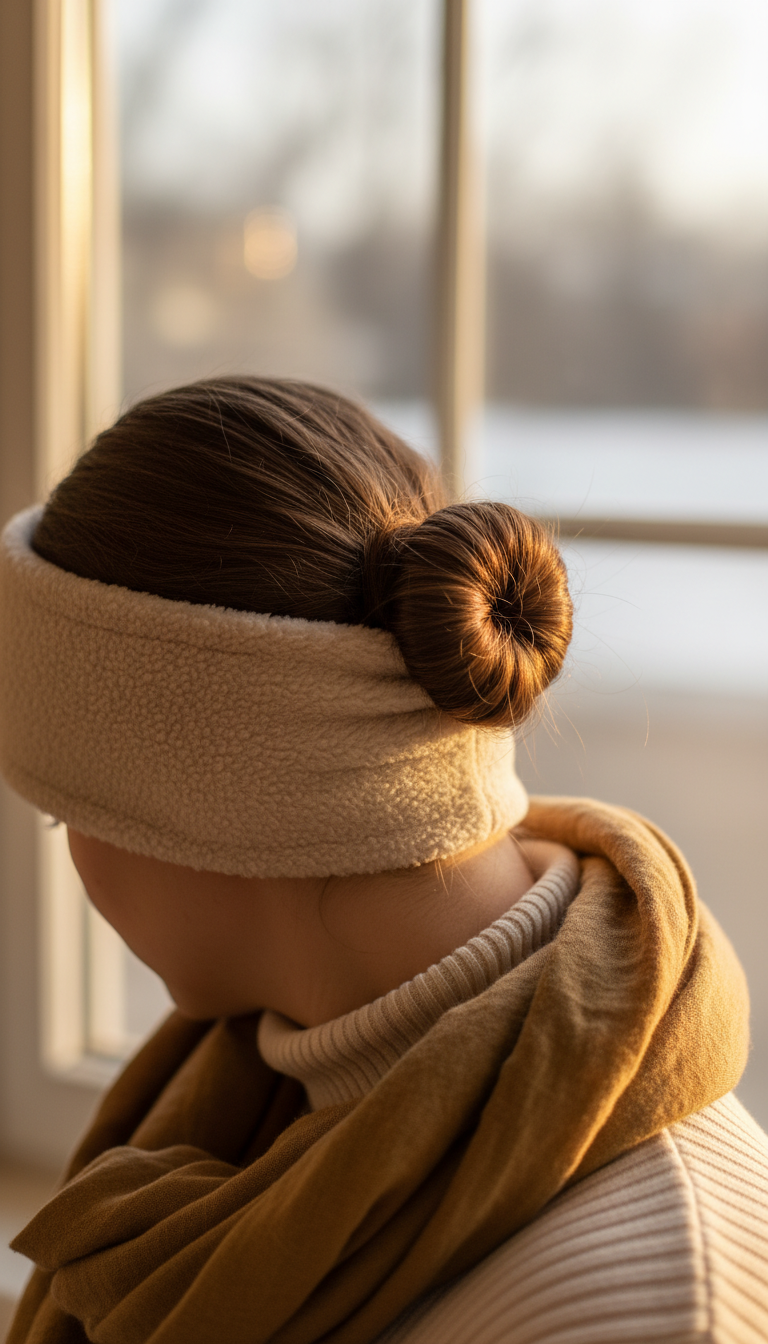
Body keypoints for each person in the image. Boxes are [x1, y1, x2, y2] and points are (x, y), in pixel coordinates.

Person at [0, 376, 766, 1344]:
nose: (73, 859)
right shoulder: (273, 1105)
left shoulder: (641, 1311)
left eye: (65, 813)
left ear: (188, 806)